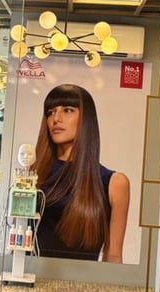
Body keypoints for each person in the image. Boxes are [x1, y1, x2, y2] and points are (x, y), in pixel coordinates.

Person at [33, 83, 130, 262]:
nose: (56, 119)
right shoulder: (33, 176)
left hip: (83, 279)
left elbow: (113, 256)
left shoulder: (114, 183)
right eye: (51, 112)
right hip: (31, 276)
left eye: (68, 110)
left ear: (86, 119)